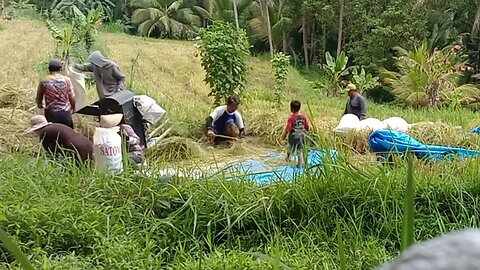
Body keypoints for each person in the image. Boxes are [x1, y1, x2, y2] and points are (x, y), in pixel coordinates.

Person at [26, 115, 93, 164]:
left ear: (37, 129)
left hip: (76, 148)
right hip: (87, 144)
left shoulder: (44, 133)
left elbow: (51, 155)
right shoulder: (55, 126)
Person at [35, 59, 76, 128]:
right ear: (60, 69)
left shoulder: (43, 81)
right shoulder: (67, 80)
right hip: (65, 113)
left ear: (49, 69)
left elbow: (39, 98)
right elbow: (72, 97)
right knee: (68, 135)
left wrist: (41, 106)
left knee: (53, 135)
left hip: (51, 114)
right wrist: (73, 108)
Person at [282, 100, 310, 167]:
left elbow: (288, 129)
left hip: (294, 136)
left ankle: (298, 164)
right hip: (302, 135)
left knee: (291, 147)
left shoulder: (291, 118)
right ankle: (303, 163)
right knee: (300, 149)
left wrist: (283, 136)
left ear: (291, 109)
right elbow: (307, 127)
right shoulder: (303, 117)